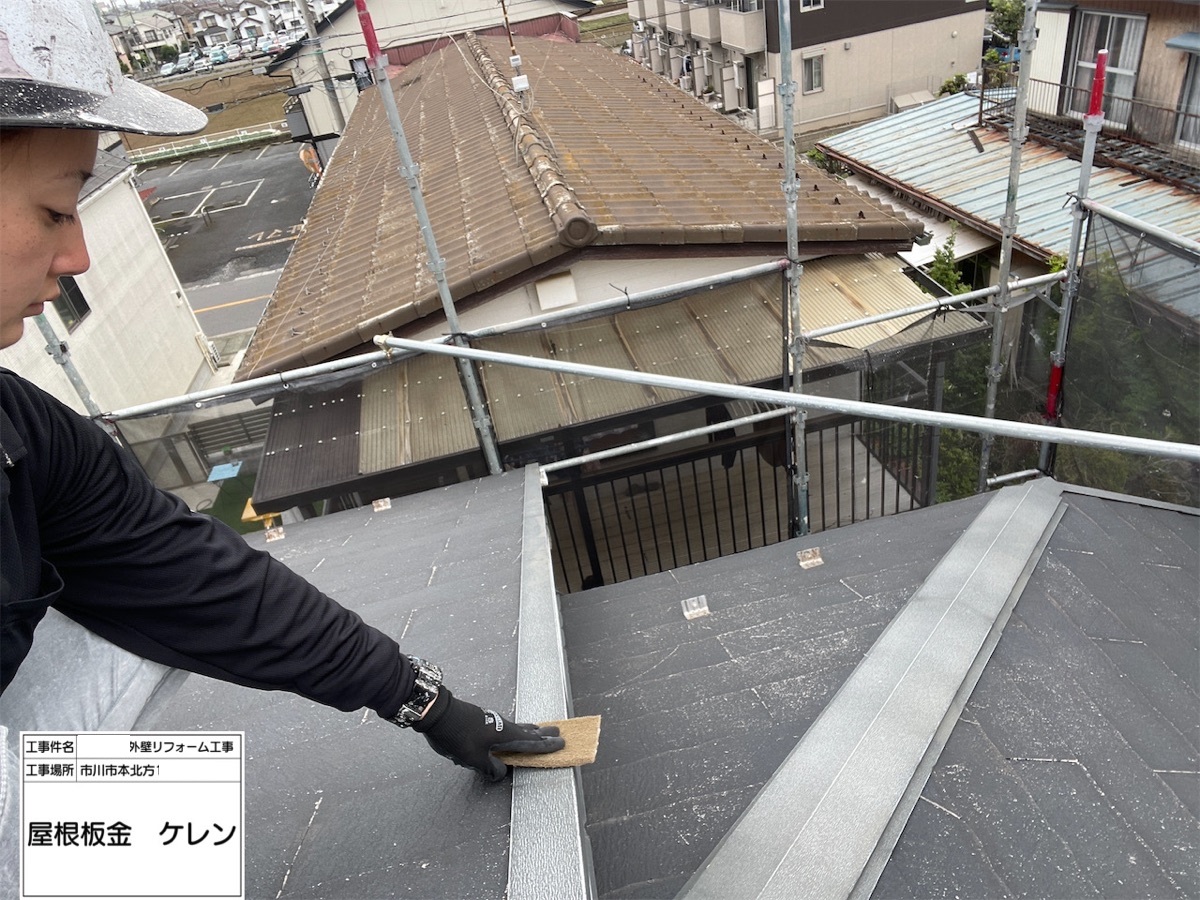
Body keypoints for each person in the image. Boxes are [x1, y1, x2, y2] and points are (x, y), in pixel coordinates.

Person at [0, 2, 562, 891]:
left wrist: (423, 701)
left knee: (113, 620)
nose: (78, 258)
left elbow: (184, 574)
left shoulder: (17, 429)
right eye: (53, 211)